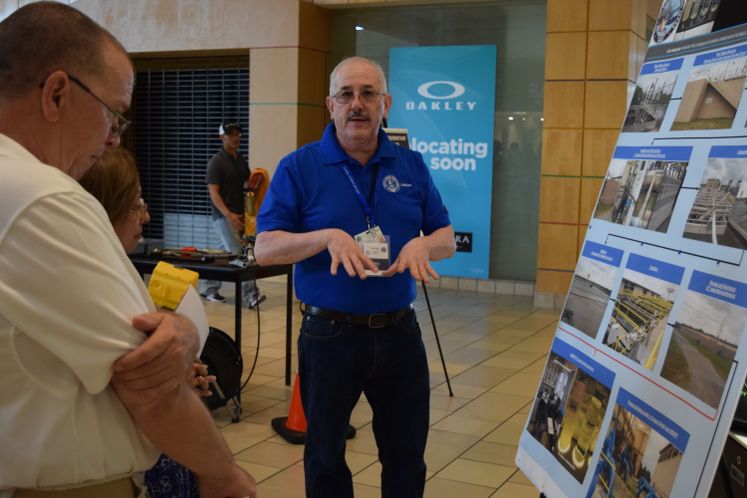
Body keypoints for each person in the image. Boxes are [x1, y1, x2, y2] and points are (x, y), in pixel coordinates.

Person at [0, 3, 256, 498]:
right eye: (113, 116)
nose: (112, 141)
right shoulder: (39, 195)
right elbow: (148, 380)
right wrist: (226, 476)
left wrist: (181, 329)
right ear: (56, 93)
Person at [254, 56, 456, 497]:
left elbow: (446, 237)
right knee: (325, 460)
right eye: (346, 94)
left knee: (406, 459)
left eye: (368, 94)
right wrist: (325, 237)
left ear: (386, 103)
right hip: (329, 336)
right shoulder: (298, 167)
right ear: (330, 104)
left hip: (400, 333)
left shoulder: (411, 165)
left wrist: (425, 244)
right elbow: (265, 247)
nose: (357, 104)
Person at [80, 148, 213, 498]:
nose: (147, 216)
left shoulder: (120, 271)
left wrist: (182, 374)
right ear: (106, 208)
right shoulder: (90, 286)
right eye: (137, 204)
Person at [199, 121, 265, 308]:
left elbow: (248, 185)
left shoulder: (240, 160)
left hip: (240, 215)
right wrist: (229, 215)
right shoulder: (216, 162)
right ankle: (251, 296)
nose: (235, 137)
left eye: (238, 134)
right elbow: (214, 193)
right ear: (222, 137)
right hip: (223, 217)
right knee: (242, 255)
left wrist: (249, 212)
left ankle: (208, 288)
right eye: (231, 134)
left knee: (221, 254)